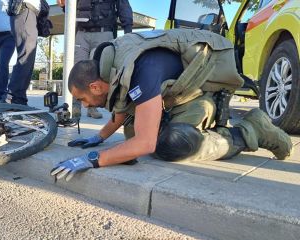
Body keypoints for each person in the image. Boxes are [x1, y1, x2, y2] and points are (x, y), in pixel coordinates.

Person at [51, 29, 293, 182]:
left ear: (95, 87)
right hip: (177, 97)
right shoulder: (114, 63)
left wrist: (94, 159)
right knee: (131, 132)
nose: (83, 105)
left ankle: (251, 130)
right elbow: (123, 105)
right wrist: (99, 138)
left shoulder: (140, 70)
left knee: (172, 144)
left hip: (201, 97)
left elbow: (145, 144)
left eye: (81, 99)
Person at [57, 0, 133, 119]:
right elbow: (70, 8)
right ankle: (74, 105)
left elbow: (124, 7)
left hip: (104, 32)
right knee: (76, 68)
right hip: (81, 33)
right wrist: (63, 6)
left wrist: (128, 32)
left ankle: (93, 106)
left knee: (98, 71)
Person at [6, 0, 41, 105]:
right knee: (26, 56)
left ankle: (19, 100)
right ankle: (13, 97)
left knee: (28, 58)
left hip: (27, 11)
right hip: (24, 9)